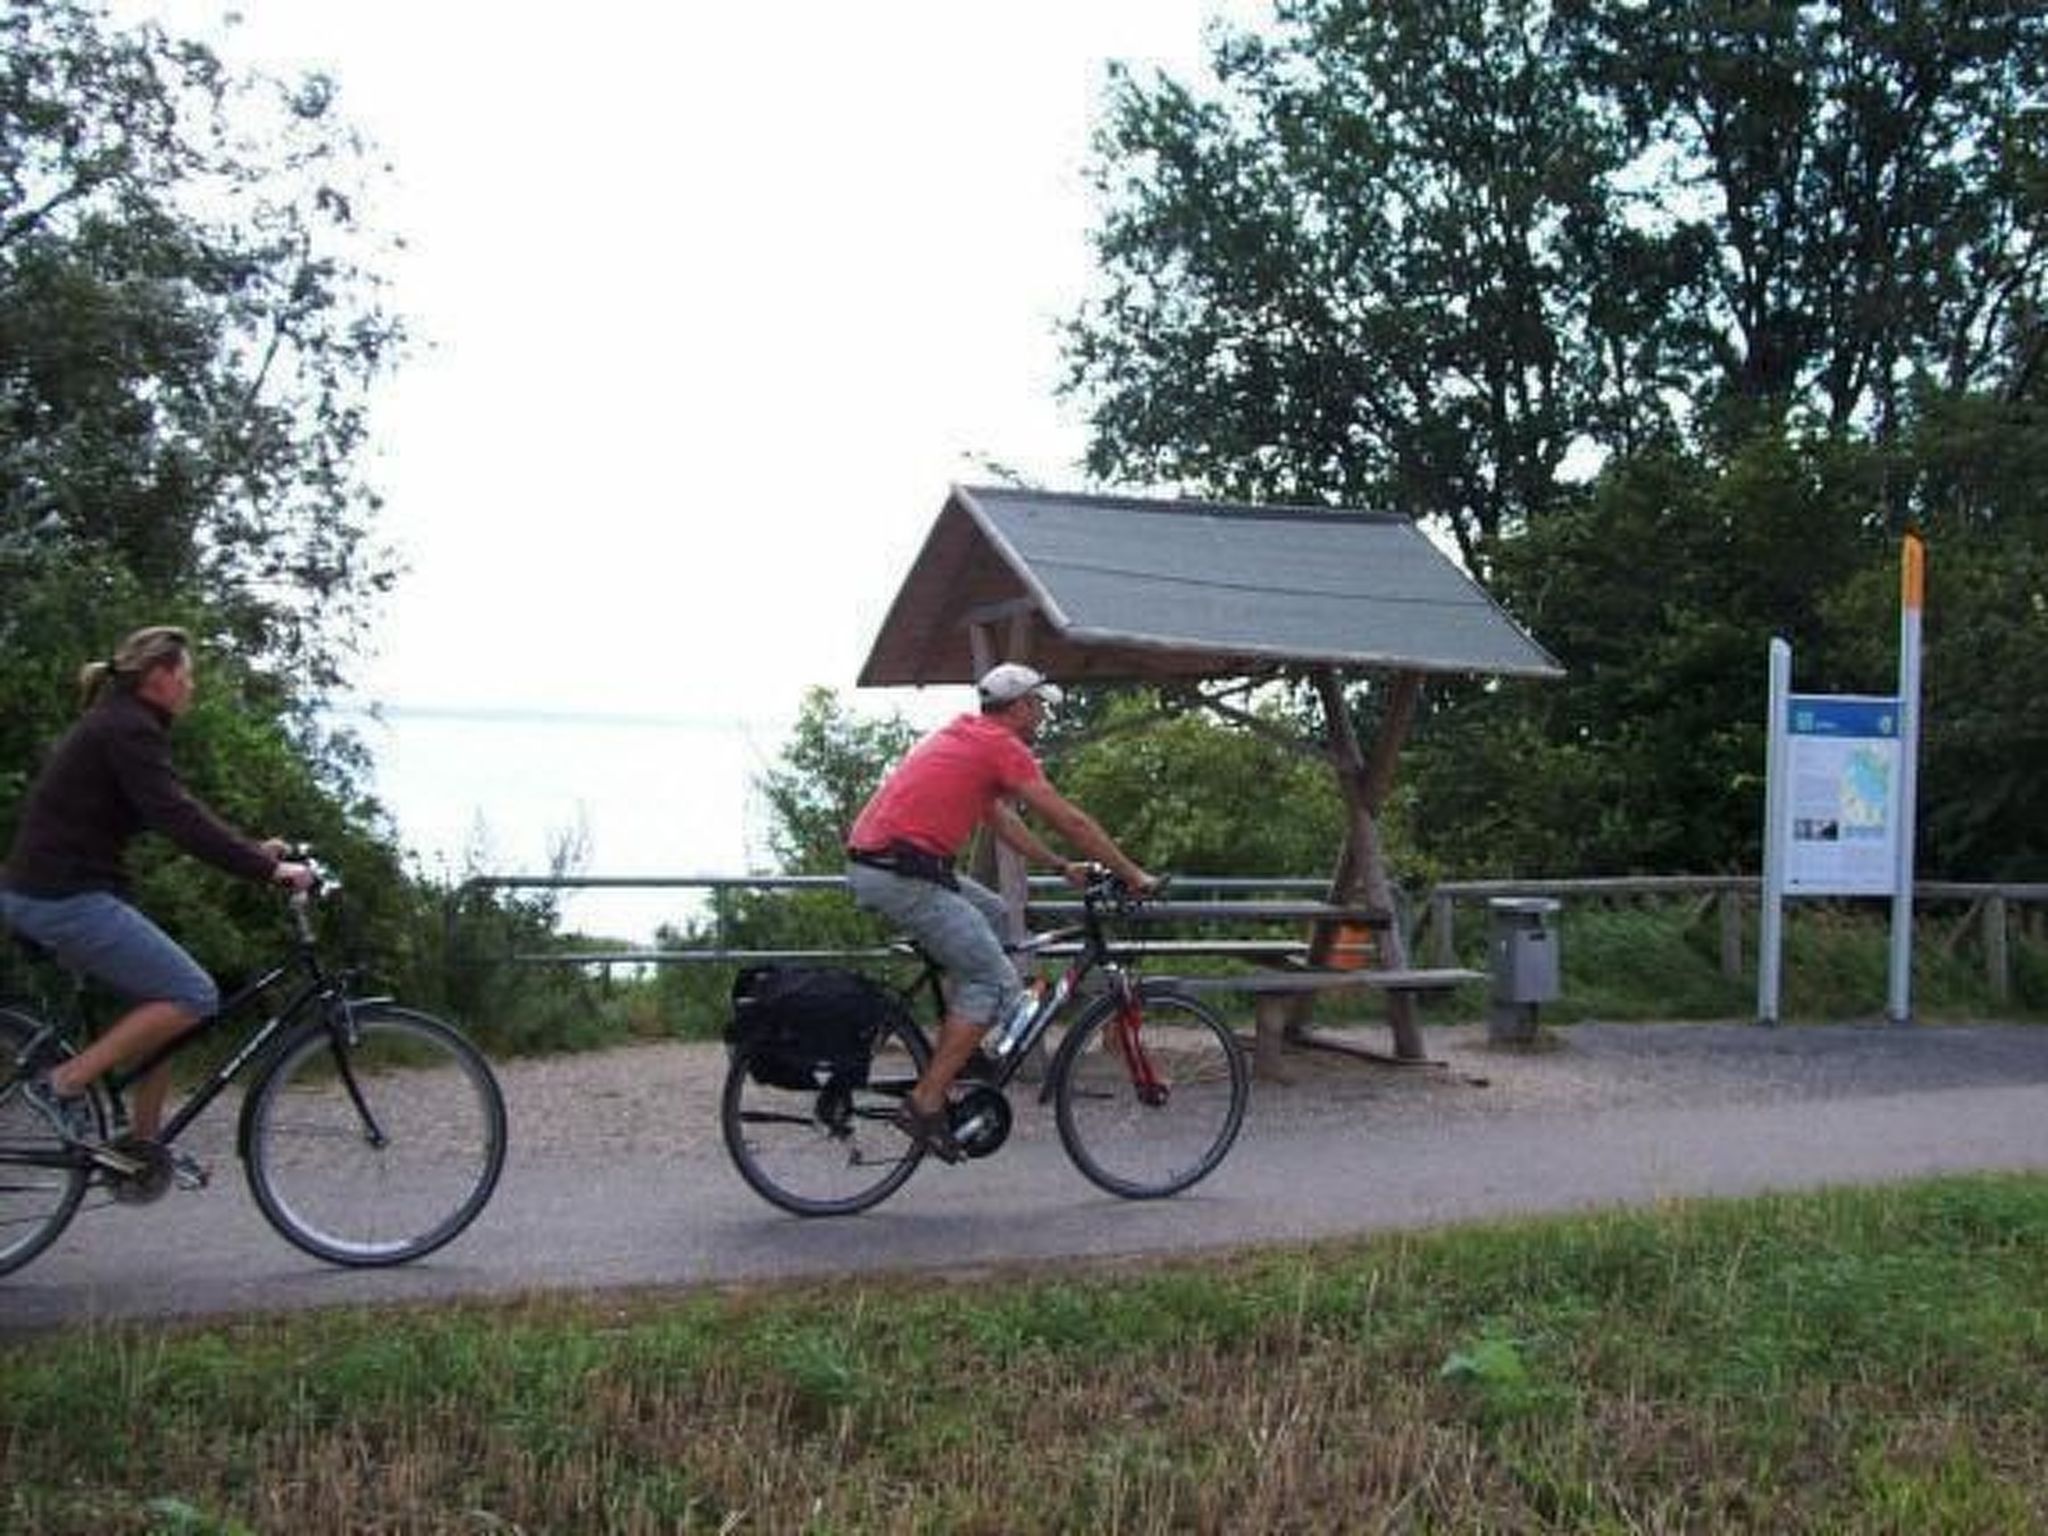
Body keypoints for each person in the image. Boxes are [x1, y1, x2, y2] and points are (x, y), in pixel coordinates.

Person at [0, 625, 314, 1172]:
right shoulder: (128, 729)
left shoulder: (120, 723)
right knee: (191, 993)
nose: (191, 686)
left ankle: (143, 1150)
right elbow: (178, 818)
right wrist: (267, 869)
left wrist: (253, 852)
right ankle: (62, 1084)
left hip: (55, 890)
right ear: (159, 677)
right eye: (187, 675)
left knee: (160, 1001)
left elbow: (170, 811)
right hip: (61, 896)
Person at [844, 662, 1157, 1161]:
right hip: (901, 874)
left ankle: (966, 1040)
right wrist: (1134, 873)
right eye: (1040, 706)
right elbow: (1071, 819)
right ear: (1020, 706)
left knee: (992, 915)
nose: (1044, 717)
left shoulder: (968, 736)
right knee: (993, 982)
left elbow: (1001, 822)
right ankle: (925, 1101)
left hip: (892, 865)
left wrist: (1060, 867)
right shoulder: (1000, 746)